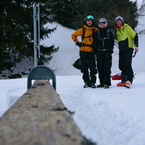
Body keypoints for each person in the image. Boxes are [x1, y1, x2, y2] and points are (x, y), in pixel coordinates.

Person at [71, 15, 99, 88]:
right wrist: (77, 42)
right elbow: (73, 35)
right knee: (84, 67)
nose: (89, 22)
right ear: (85, 22)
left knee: (92, 67)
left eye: (90, 21)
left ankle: (92, 82)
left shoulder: (95, 30)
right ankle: (86, 82)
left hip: (91, 51)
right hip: (83, 50)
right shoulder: (82, 30)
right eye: (88, 21)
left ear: (92, 22)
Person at [115, 16, 139, 88]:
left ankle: (129, 80)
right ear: (116, 23)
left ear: (122, 21)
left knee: (127, 65)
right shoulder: (117, 30)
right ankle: (124, 79)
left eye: (120, 21)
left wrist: (136, 46)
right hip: (122, 50)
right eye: (117, 21)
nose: (119, 22)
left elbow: (134, 35)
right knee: (121, 65)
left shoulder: (127, 27)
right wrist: (120, 50)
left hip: (128, 49)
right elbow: (119, 41)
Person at [93, 18, 114, 89]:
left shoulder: (109, 32)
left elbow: (112, 42)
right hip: (99, 53)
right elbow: (95, 43)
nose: (102, 25)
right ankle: (101, 82)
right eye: (101, 24)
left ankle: (106, 83)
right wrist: (95, 52)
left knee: (107, 68)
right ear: (99, 25)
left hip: (107, 53)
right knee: (100, 68)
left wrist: (110, 50)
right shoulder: (97, 33)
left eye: (103, 24)